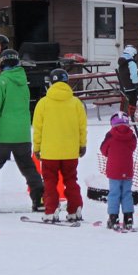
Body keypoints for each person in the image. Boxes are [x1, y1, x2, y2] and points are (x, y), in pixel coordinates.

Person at [0, 49, 44, 212]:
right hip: (22, 135)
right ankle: (40, 199)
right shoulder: (23, 83)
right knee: (28, 168)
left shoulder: (1, 83)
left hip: (2, 135)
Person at [32, 67, 88, 223]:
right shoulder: (76, 103)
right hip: (70, 152)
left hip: (50, 152)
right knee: (71, 180)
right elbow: (82, 127)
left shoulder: (43, 104)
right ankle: (75, 209)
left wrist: (37, 148)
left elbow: (38, 129)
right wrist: (82, 145)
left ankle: (51, 210)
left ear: (51, 83)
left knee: (50, 182)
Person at [99, 113, 138, 231]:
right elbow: (133, 147)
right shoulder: (131, 136)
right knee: (127, 193)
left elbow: (103, 149)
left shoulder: (110, 135)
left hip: (114, 170)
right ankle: (128, 217)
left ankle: (113, 217)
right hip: (127, 169)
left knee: (114, 193)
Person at [116, 44, 138, 116]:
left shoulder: (121, 62)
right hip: (131, 87)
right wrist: (136, 85)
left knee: (124, 102)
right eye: (135, 55)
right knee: (132, 102)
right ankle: (131, 116)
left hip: (123, 87)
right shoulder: (131, 62)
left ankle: (123, 115)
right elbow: (134, 75)